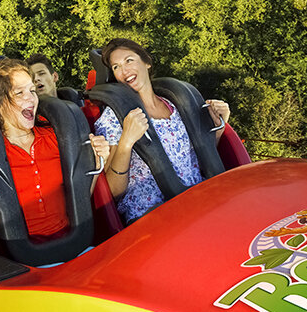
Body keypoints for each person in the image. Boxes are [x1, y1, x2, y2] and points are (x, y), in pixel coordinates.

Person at [0, 59, 109, 240]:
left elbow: (80, 200)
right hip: (25, 257)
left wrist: (96, 163)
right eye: (19, 92)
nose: (31, 99)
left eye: (32, 91)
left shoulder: (55, 138)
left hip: (74, 243)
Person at [94, 38, 231, 224]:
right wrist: (126, 142)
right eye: (116, 67)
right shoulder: (114, 117)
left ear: (146, 62)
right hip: (154, 215)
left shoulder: (176, 104)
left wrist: (219, 125)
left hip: (200, 199)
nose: (124, 70)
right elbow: (114, 192)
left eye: (129, 60)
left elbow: (195, 158)